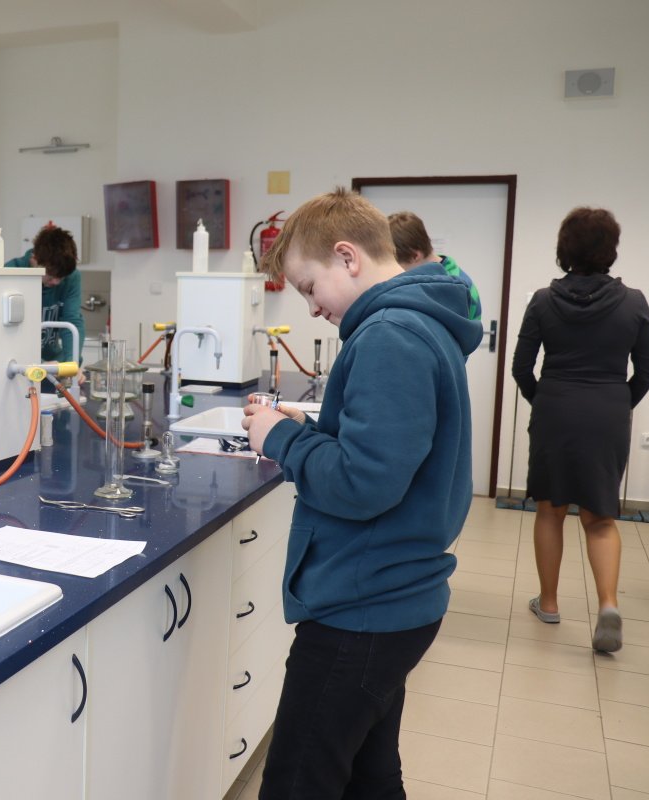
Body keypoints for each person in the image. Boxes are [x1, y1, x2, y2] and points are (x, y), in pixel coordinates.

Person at [242, 188, 482, 799]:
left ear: (348, 257)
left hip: (362, 607)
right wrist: (310, 428)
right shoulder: (419, 320)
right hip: (394, 594)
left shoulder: (388, 335)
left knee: (298, 781)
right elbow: (387, 452)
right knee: (369, 779)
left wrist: (280, 440)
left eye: (309, 288)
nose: (312, 308)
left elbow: (363, 482)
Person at [511, 207, 649, 653]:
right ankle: (608, 604)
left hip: (555, 409)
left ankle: (549, 604)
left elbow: (521, 368)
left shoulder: (542, 300)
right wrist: (617, 403)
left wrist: (545, 400)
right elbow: (648, 371)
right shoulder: (634, 302)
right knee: (600, 517)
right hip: (607, 413)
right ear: (611, 250)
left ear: (564, 250)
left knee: (550, 509)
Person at [5, 225, 85, 365]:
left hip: (53, 361)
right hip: (19, 364)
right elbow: (5, 335)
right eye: (51, 275)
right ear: (34, 259)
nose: (56, 282)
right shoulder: (11, 272)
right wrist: (39, 364)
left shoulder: (72, 277)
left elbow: (72, 322)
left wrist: (72, 364)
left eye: (61, 277)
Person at [388, 210, 482, 320]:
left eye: (397, 264)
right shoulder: (423, 280)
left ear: (415, 256)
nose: (395, 272)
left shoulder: (455, 287)